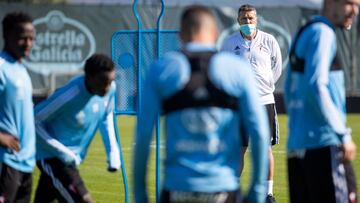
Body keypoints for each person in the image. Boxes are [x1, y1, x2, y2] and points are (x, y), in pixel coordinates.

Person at [133, 5, 269, 203]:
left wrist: (140, 196)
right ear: (215, 34)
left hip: (177, 189)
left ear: (180, 35)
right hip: (224, 190)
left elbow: (143, 136)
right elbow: (259, 133)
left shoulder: (162, 69)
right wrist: (257, 193)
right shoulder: (237, 69)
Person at [284, 0, 359, 202]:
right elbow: (317, 84)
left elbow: (289, 87)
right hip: (324, 145)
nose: (355, 11)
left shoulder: (305, 30)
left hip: (297, 145)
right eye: (349, 4)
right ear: (329, 3)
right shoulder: (324, 32)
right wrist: (342, 134)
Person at [34, 53, 121, 203]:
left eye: (111, 81)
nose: (107, 87)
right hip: (52, 157)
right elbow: (34, 120)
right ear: (89, 77)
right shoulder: (69, 95)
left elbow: (107, 115)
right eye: (103, 81)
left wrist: (113, 152)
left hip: (71, 159)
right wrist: (64, 153)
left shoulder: (110, 89)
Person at [221, 4, 282, 202]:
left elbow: (277, 68)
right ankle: (232, 193)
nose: (248, 22)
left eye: (251, 19)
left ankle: (268, 194)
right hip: (240, 105)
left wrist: (263, 87)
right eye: (244, 19)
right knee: (239, 149)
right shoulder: (229, 43)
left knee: (265, 149)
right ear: (238, 20)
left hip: (265, 102)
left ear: (257, 20)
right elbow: (224, 70)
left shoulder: (269, 40)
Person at [0, 11, 36, 203]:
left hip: (26, 163)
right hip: (6, 162)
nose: (28, 43)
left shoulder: (21, 69)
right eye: (22, 38)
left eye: (31, 38)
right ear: (7, 36)